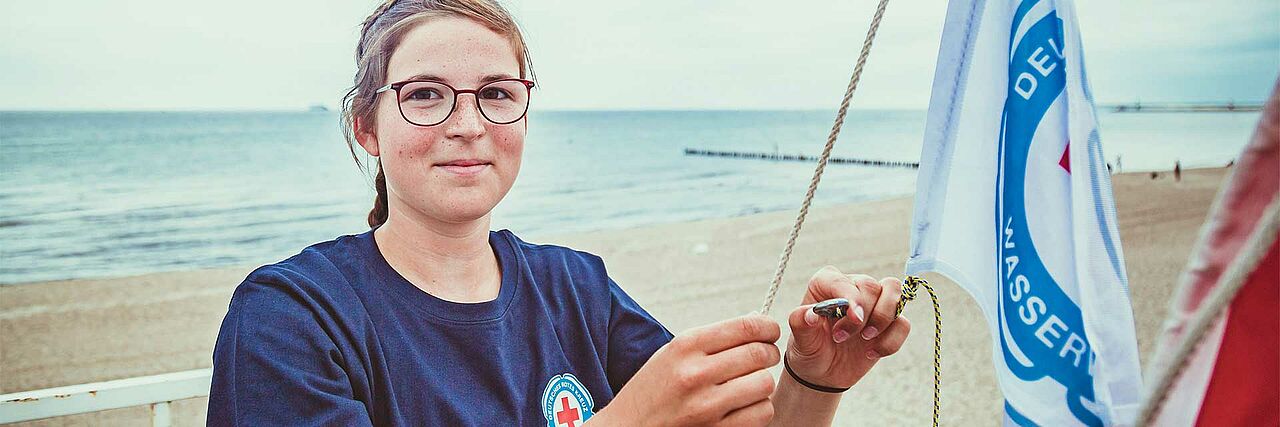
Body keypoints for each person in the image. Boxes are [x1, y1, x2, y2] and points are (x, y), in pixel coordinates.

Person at [206, 1, 911, 425]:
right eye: (425, 94)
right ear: (367, 126)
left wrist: (815, 380)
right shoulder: (291, 315)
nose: (467, 123)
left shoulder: (575, 288)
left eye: (496, 92)